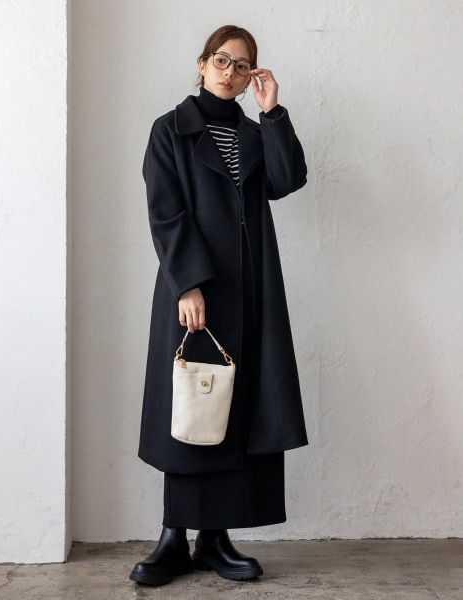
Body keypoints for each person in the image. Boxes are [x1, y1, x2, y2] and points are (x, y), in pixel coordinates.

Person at [130, 24, 308, 587]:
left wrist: (272, 112)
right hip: (196, 292)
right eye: (222, 60)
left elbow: (288, 179)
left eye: (243, 64)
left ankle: (214, 539)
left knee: (234, 411)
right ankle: (173, 538)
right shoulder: (170, 130)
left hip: (249, 291)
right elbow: (166, 212)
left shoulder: (254, 134)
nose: (230, 72)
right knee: (191, 407)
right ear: (202, 63)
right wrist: (188, 285)